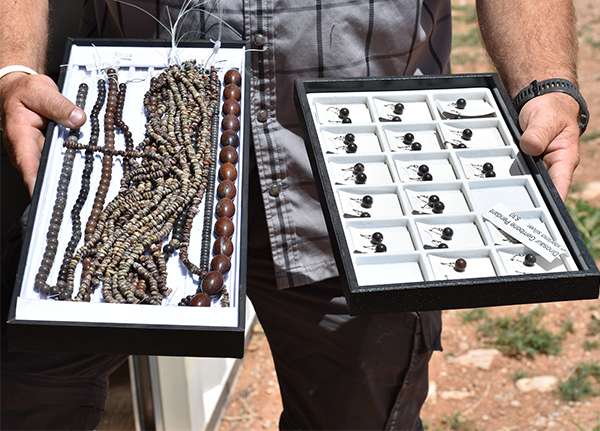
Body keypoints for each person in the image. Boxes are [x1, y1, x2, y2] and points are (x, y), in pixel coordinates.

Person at [0, 0, 586, 429]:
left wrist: (547, 81)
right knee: (28, 392)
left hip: (367, 177)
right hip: (128, 155)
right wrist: (13, 68)